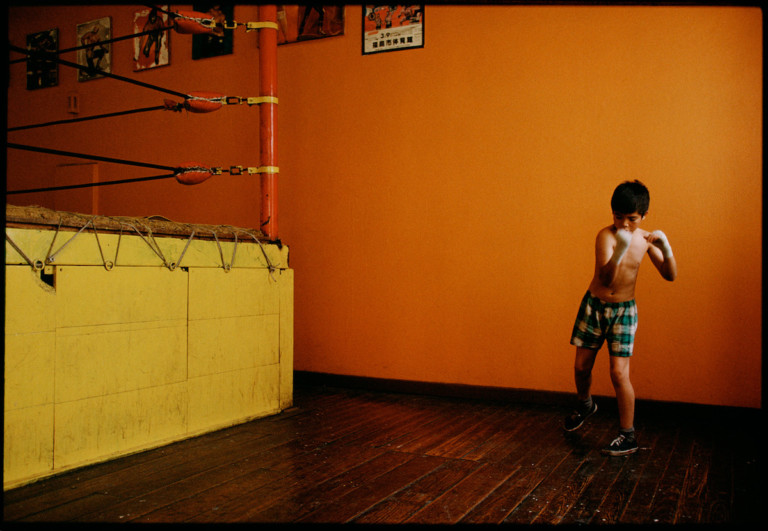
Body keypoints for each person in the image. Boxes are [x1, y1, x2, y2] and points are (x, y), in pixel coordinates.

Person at [564, 180, 677, 456]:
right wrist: (619, 251)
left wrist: (666, 248)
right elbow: (605, 278)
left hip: (623, 311)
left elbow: (670, 274)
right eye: (618, 216)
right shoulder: (606, 236)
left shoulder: (645, 240)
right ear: (612, 212)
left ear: (644, 216)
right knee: (581, 367)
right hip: (594, 306)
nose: (624, 224)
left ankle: (628, 435)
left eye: (632, 219)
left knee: (618, 372)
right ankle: (585, 404)